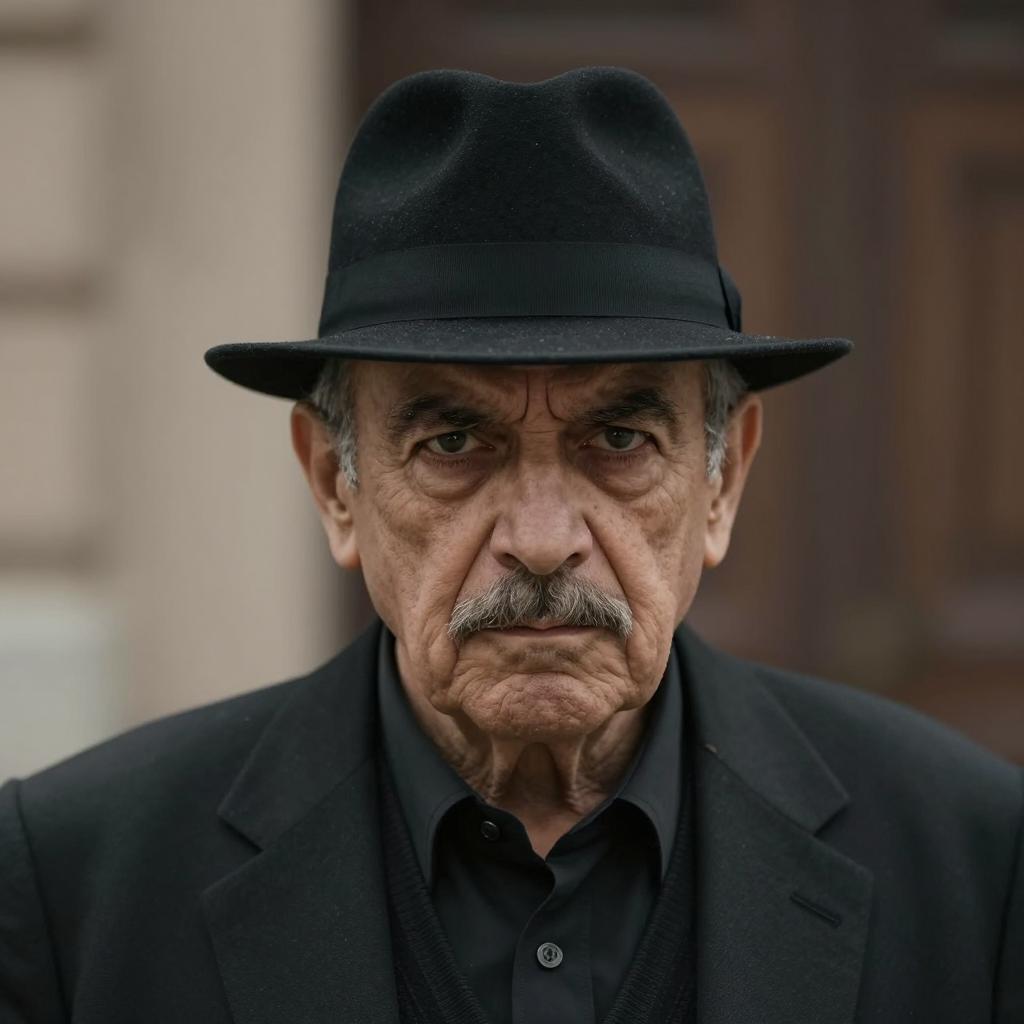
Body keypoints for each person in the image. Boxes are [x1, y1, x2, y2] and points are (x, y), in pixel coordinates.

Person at [1, 66, 1021, 1024]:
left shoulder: (976, 863)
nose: (540, 543)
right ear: (335, 484)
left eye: (619, 440)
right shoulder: (71, 884)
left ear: (722, 480)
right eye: (453, 444)